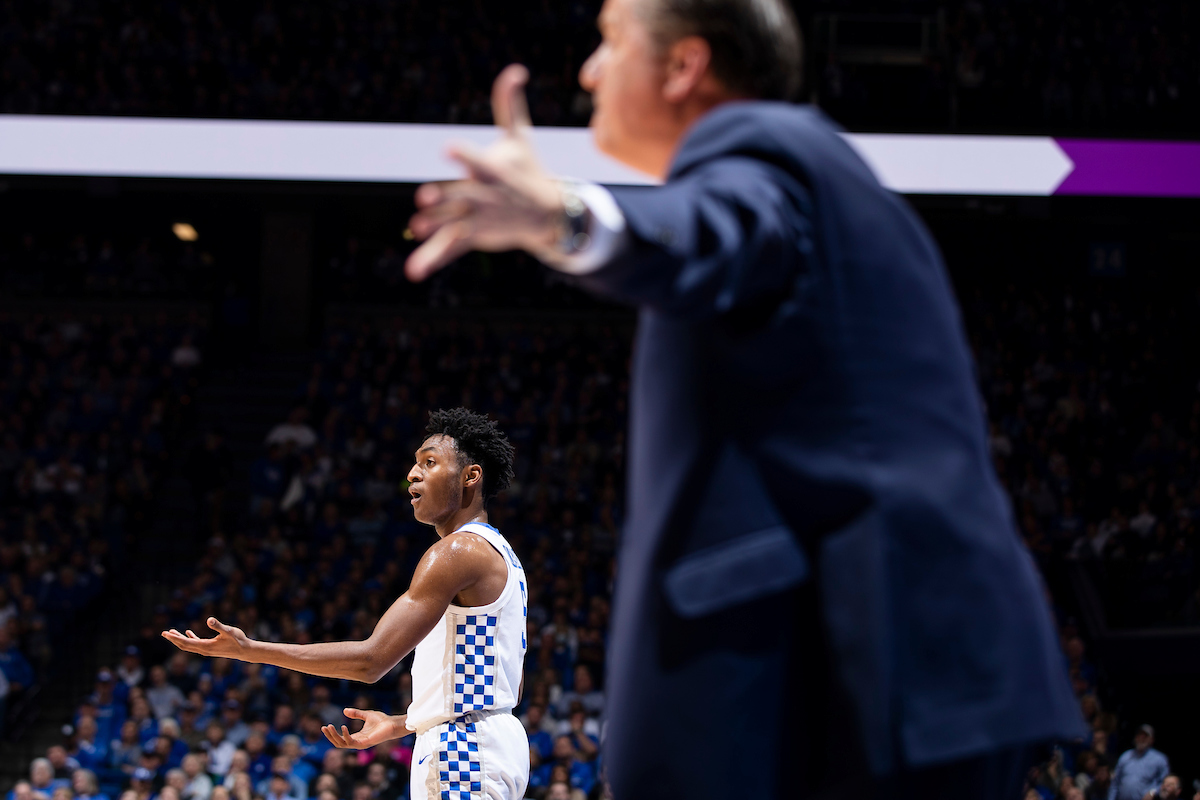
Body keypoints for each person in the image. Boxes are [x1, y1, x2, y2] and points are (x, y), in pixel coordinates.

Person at [401, 0, 1085, 796]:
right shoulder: (819, 180)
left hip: (869, 677)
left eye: (611, 42)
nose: (588, 70)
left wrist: (569, 216)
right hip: (894, 668)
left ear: (685, 66)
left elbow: (717, 228)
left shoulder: (770, 158)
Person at [163, 409, 529, 800]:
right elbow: (508, 687)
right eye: (415, 462)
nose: (412, 474)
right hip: (490, 745)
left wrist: (251, 651)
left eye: (429, 462)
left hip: (464, 751)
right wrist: (403, 723)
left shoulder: (457, 550)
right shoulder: (504, 556)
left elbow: (370, 662)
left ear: (471, 476)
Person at [1109, 726, 1170, 800]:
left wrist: (1153, 792)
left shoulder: (1160, 759)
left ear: (1151, 739)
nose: (1141, 738)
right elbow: (1115, 782)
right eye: (1139, 735)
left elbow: (1165, 782)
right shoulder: (1125, 756)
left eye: (1145, 736)